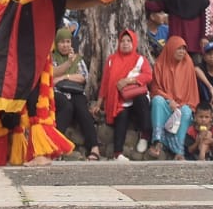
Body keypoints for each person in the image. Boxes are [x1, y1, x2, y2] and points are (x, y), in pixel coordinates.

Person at [100, 29, 153, 160]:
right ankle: (117, 153)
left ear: (134, 42)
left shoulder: (140, 60)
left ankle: (145, 135)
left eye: (128, 41)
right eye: (122, 41)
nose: (125, 43)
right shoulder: (111, 60)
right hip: (118, 99)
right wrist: (99, 102)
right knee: (121, 114)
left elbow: (148, 76)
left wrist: (128, 81)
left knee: (141, 99)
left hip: (135, 97)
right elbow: (105, 83)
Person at [51, 27, 100, 159]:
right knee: (66, 108)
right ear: (56, 43)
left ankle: (94, 147)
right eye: (62, 42)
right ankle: (55, 146)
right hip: (58, 92)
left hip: (76, 91)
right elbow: (52, 77)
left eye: (68, 42)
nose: (65, 45)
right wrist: (69, 71)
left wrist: (64, 77)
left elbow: (83, 77)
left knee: (82, 110)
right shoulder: (52, 57)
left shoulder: (77, 58)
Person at [149, 35, 199, 158]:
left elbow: (192, 90)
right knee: (157, 100)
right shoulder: (160, 64)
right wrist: (169, 100)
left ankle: (179, 150)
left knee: (187, 111)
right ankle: (158, 141)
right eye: (179, 49)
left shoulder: (188, 63)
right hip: (166, 105)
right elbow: (155, 89)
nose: (182, 52)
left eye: (184, 49)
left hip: (182, 105)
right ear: (170, 49)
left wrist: (180, 105)